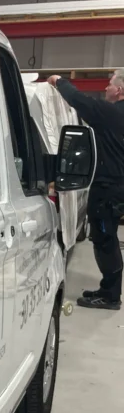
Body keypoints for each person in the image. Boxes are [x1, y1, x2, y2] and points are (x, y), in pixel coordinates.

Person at [48, 70, 124, 310]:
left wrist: (59, 81)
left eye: (109, 84)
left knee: (105, 240)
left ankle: (110, 295)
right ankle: (108, 289)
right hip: (115, 187)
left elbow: (80, 100)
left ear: (120, 90)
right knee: (106, 238)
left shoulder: (112, 113)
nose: (106, 88)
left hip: (108, 188)